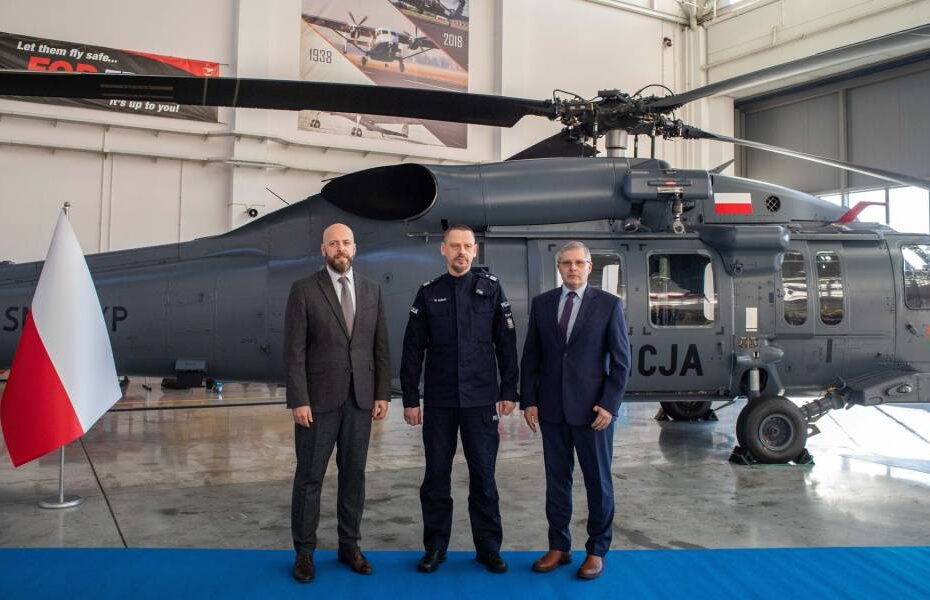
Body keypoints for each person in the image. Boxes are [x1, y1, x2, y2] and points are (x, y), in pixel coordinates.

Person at [400, 224, 518, 574]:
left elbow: (507, 346)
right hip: (440, 402)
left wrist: (509, 391)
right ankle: (435, 548)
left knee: (484, 477)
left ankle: (489, 549)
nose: (461, 252)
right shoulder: (428, 293)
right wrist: (410, 398)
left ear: (475, 250)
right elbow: (412, 350)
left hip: (481, 401)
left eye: (467, 246)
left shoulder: (492, 291)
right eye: (455, 246)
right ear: (443, 250)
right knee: (436, 477)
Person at [283, 223, 391, 583]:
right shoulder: (303, 290)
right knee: (309, 479)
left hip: (360, 401)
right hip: (317, 403)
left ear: (355, 248)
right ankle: (304, 552)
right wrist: (299, 399)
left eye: (346, 243)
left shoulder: (372, 290)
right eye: (334, 243)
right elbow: (294, 352)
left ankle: (350, 546)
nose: (340, 248)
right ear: (323, 249)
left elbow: (380, 347)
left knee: (354, 478)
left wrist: (381, 393)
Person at [520, 241, 631, 580]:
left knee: (598, 482)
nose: (572, 268)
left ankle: (597, 550)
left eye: (578, 263)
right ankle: (559, 546)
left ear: (589, 266)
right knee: (557, 482)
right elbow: (532, 358)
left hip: (593, 412)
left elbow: (622, 363)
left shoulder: (609, 306)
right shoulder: (542, 305)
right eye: (566, 263)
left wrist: (610, 406)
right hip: (552, 410)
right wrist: (529, 400)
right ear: (559, 268)